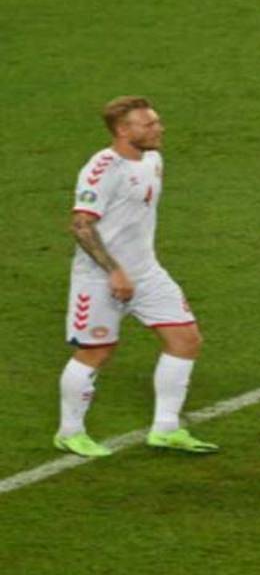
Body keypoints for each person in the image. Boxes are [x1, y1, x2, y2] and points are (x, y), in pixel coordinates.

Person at [55, 96, 217, 457]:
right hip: (99, 277)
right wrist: (114, 272)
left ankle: (166, 429)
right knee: (96, 351)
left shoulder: (153, 160)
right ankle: (70, 432)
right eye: (149, 124)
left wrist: (134, 271)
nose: (159, 129)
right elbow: (81, 226)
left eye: (157, 122)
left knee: (186, 339)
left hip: (147, 272)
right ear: (123, 130)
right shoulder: (102, 169)